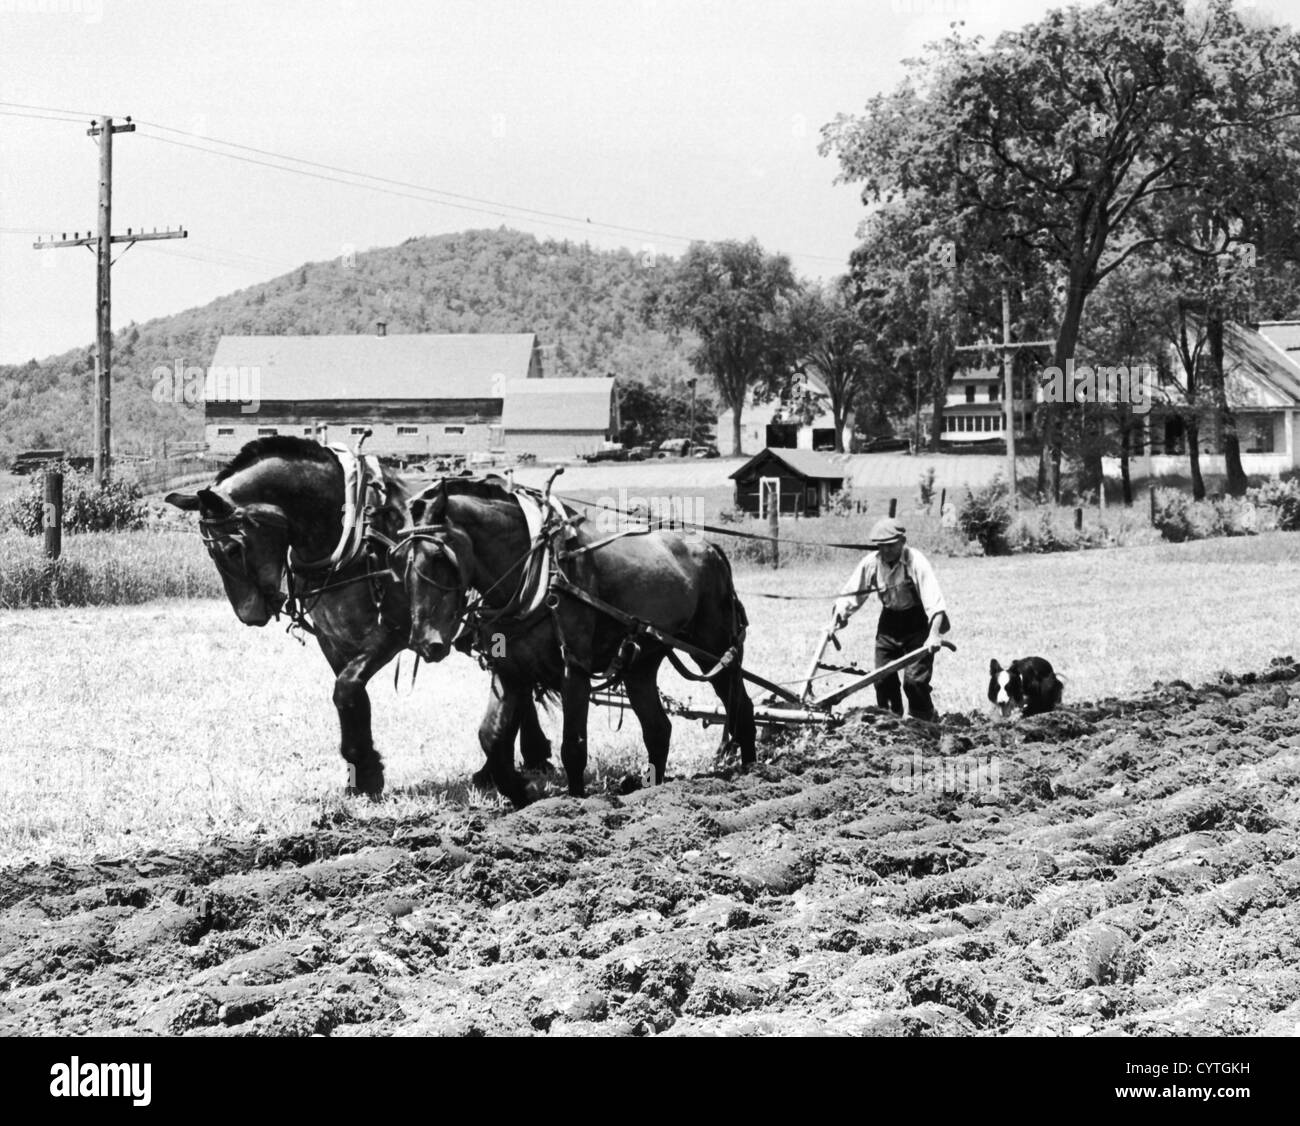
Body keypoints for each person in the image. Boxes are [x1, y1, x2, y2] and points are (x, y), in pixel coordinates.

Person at [832, 516, 950, 722]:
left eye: (889, 546)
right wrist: (838, 617)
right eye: (881, 546)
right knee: (882, 678)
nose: (885, 551)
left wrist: (933, 635)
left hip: (918, 623)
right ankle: (890, 723)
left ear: (902, 541)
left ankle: (924, 721)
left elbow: (936, 603)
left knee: (914, 682)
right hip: (889, 623)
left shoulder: (915, 561)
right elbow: (852, 594)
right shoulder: (872, 563)